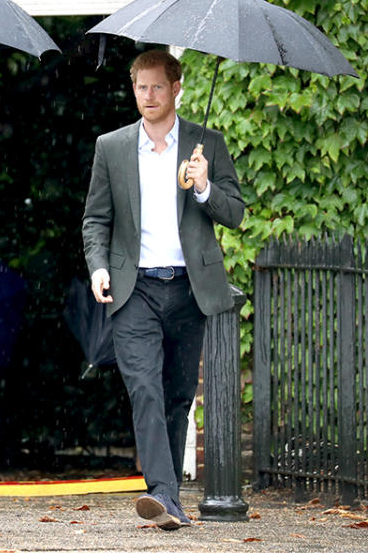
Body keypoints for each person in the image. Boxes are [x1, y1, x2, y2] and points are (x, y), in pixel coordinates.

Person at [81, 50, 244, 530]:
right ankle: (164, 495)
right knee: (145, 389)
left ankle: (168, 498)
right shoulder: (111, 147)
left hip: (189, 289)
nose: (147, 96)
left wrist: (204, 188)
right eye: (140, 87)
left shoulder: (205, 143)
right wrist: (97, 267)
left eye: (157, 87)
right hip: (135, 289)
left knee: (176, 396)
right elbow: (96, 219)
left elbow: (234, 212)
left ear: (177, 88)